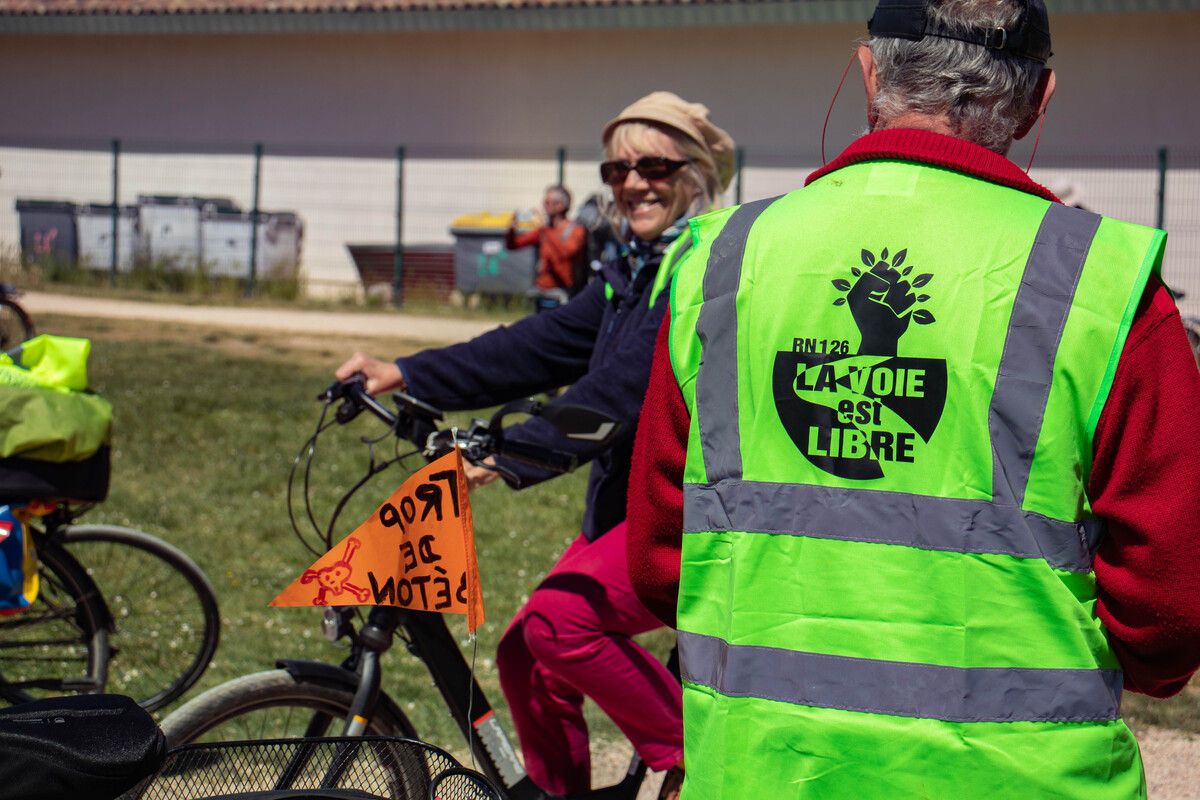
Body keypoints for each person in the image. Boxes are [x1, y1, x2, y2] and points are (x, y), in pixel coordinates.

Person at [625, 2, 1200, 798]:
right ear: (1040, 99)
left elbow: (662, 562)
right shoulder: (1103, 285)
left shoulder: (722, 262)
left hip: (764, 770)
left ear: (869, 76)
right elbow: (1169, 613)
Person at [335, 90, 735, 796]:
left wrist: (512, 453)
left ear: (695, 172)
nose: (632, 183)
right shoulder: (634, 269)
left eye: (653, 166)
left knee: (558, 623)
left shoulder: (703, 268)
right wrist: (406, 372)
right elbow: (537, 346)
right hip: (631, 506)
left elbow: (623, 391)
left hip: (692, 514)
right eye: (615, 171)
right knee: (526, 651)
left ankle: (705, 771)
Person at [505, 185, 587, 310]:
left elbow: (566, 253)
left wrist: (545, 230)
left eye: (548, 202)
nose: (543, 206)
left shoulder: (575, 230)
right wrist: (511, 229)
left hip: (563, 294)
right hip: (542, 292)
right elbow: (513, 245)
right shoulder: (544, 230)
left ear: (560, 206)